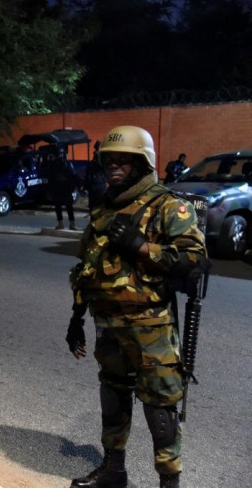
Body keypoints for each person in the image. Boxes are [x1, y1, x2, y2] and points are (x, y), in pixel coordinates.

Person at [66, 126, 208, 488]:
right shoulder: (103, 210)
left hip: (151, 324)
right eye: (109, 161)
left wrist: (143, 248)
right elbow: (87, 268)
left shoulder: (167, 205)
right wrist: (76, 316)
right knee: (112, 394)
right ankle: (113, 469)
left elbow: (195, 259)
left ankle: (169, 482)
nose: (114, 168)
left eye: (123, 161)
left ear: (142, 164)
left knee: (159, 404)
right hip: (108, 323)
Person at [46, 146, 78, 230]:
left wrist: (72, 186)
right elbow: (50, 176)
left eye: (61, 153)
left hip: (66, 187)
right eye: (59, 154)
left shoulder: (67, 163)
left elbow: (73, 175)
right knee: (58, 206)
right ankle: (61, 223)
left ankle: (72, 223)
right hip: (58, 188)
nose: (60, 155)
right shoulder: (53, 164)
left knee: (69, 206)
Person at [83, 140, 108, 211]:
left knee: (98, 204)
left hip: (98, 184)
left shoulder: (100, 162)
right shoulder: (93, 164)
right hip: (96, 184)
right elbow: (87, 175)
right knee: (94, 205)